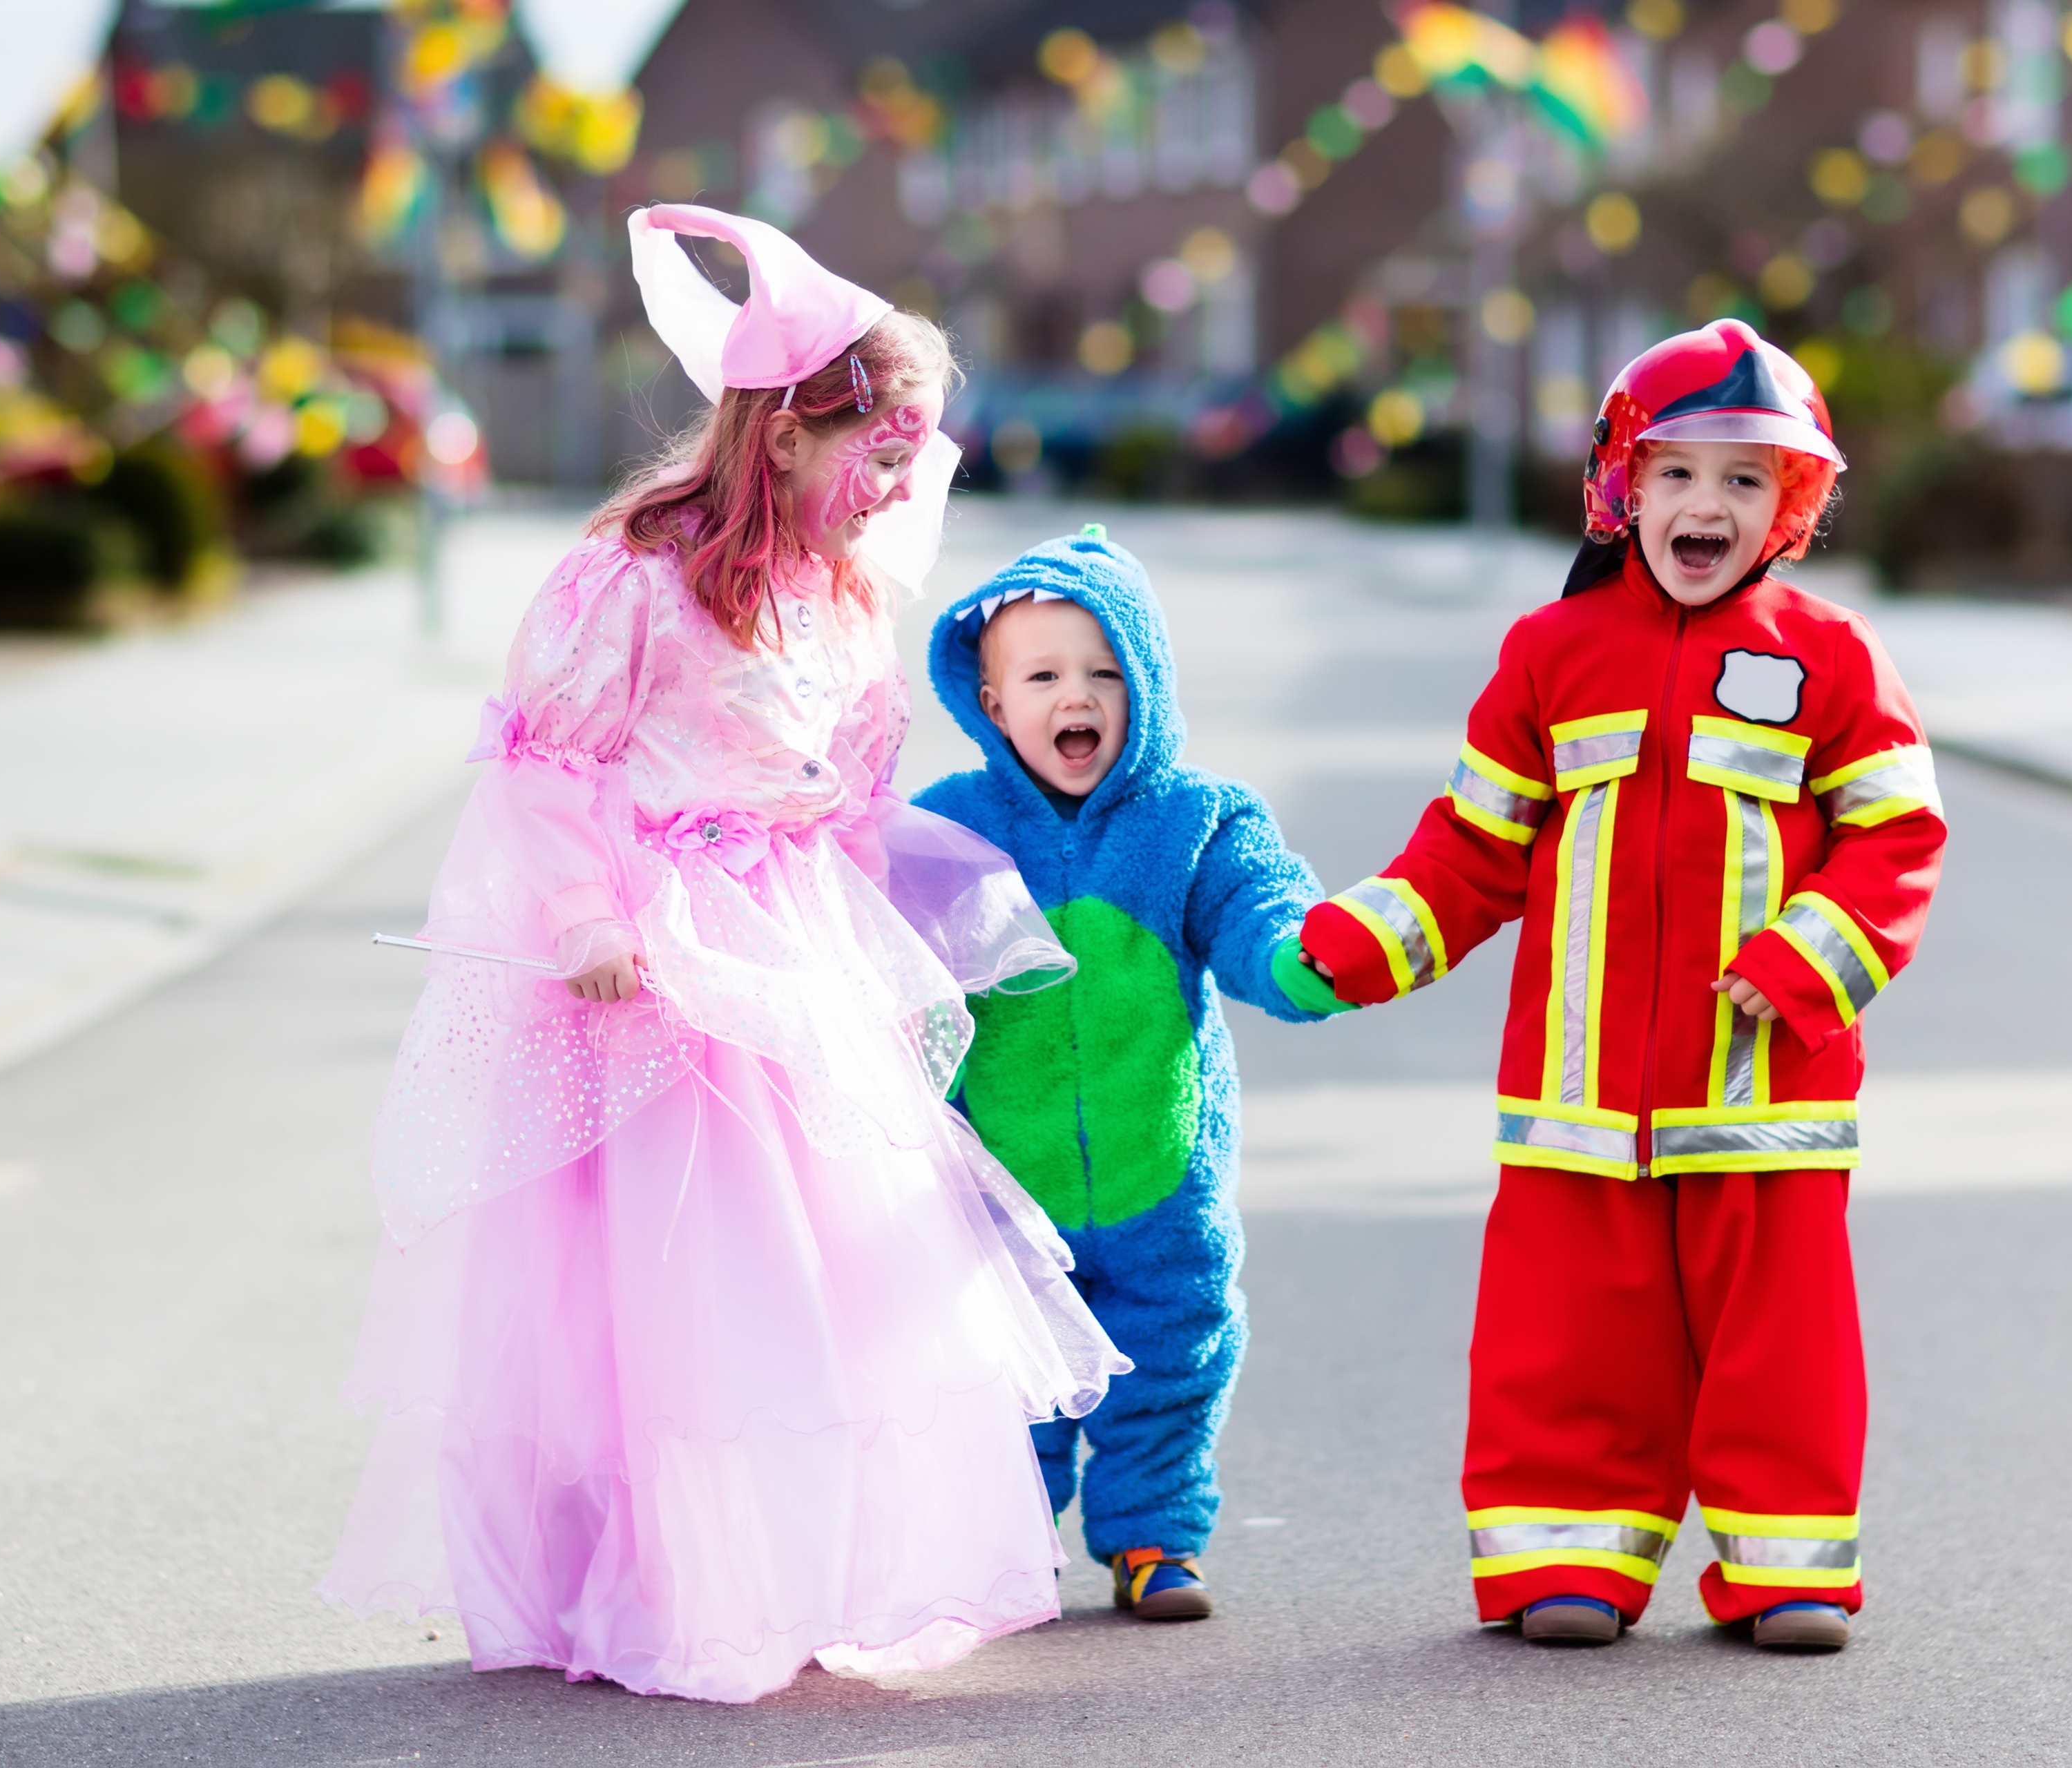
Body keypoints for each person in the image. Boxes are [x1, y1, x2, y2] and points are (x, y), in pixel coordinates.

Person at [318, 203, 1126, 1703]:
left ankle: (799, 1561)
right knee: (676, 1279)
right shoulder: (635, 576)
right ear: (784, 438)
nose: (898, 484)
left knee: (821, 1275)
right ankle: (657, 1580)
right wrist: (587, 918)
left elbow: (855, 778)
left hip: (794, 944)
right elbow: (551, 766)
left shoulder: (842, 591)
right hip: (663, 956)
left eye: (912, 455)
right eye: (875, 452)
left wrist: (899, 886)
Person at [1287, 321, 1946, 1653]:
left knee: (1782, 1345)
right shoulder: (1549, 653)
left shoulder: (1835, 656)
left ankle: (1787, 1570)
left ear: (1791, 508)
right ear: (1622, 488)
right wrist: (1362, 943)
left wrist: (1808, 956)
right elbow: (1476, 846)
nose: (1708, 505)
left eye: (1748, 481)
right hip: (1576, 1102)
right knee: (1567, 1343)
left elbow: (1898, 835)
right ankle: (1565, 1561)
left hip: (1764, 1098)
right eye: (1680, 474)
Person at [912, 528, 1335, 1620]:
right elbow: (895, 959)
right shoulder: (950, 828)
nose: (1079, 697)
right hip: (1004, 1182)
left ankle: (1152, 1537)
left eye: (1106, 672)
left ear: (1146, 685)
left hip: (1162, 1175)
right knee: (1009, 1365)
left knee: (1173, 1352)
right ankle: (1013, 1538)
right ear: (994, 702)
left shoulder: (1196, 822)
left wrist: (1302, 956)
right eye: (1045, 676)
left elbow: (1258, 910)